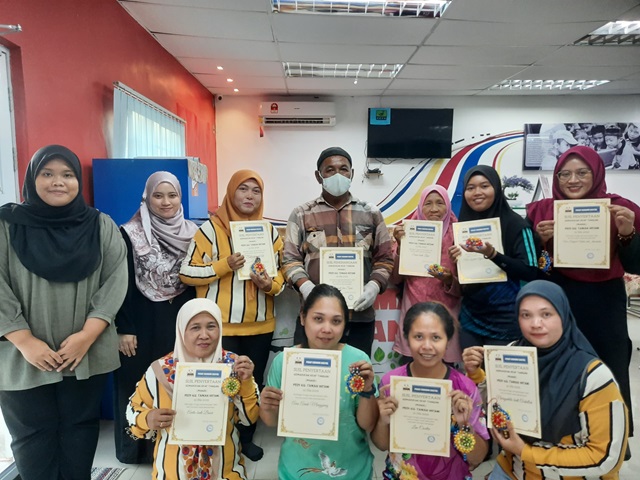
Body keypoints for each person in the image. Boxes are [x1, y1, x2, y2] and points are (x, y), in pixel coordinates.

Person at [0, 145, 128, 480]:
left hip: (84, 351)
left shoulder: (101, 225)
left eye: (68, 174)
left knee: (79, 430)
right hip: (21, 355)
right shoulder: (6, 225)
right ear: (32, 178)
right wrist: (25, 341)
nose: (58, 182)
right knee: (31, 437)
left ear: (78, 181)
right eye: (48, 173)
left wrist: (87, 336)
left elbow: (115, 280)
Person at [526, 145, 640, 436]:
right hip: (558, 299)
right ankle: (560, 436)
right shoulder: (541, 211)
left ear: (597, 173)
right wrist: (540, 242)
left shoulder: (620, 209)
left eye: (582, 172)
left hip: (605, 301)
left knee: (609, 367)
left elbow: (636, 265)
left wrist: (627, 233)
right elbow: (535, 269)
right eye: (564, 174)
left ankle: (610, 438)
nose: (572, 180)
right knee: (559, 367)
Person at [463, 280, 628, 480]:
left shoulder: (593, 376)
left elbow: (606, 458)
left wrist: (526, 452)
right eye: (526, 315)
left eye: (546, 314)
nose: (536, 324)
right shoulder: (512, 353)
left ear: (563, 315)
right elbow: (496, 407)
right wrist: (476, 375)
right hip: (513, 469)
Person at [180, 169, 284, 460]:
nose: (250, 196)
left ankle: (246, 440)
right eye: (243, 189)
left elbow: (281, 275)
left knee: (251, 384)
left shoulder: (269, 231)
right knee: (221, 385)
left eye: (256, 191)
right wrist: (223, 265)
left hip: (260, 326)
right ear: (230, 192)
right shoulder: (209, 230)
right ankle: (221, 439)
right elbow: (186, 272)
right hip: (219, 329)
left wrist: (270, 284)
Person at [114, 171, 198, 464]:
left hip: (179, 318)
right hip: (140, 320)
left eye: (172, 195)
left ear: (180, 198)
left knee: (173, 381)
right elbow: (121, 281)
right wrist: (124, 327)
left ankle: (172, 448)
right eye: (158, 196)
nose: (165, 202)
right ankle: (134, 450)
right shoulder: (129, 233)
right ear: (146, 198)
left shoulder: (193, 232)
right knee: (136, 382)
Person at [127, 298, 260, 480]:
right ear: (181, 330)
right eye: (195, 327)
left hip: (225, 471)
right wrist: (147, 418)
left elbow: (249, 417)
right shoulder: (159, 371)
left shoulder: (234, 366)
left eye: (211, 326)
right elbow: (132, 411)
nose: (204, 335)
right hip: (173, 474)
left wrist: (246, 382)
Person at [282, 146, 394, 356]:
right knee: (312, 373)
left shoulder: (371, 213)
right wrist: (306, 288)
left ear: (352, 173)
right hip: (315, 318)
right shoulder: (301, 214)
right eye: (330, 170)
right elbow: (290, 260)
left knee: (355, 374)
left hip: (358, 318)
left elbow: (385, 258)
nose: (338, 174)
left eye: (343, 169)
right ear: (319, 176)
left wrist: (374, 286)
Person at [260, 284, 379, 480]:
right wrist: (267, 405)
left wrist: (367, 391)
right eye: (318, 319)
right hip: (296, 472)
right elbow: (271, 421)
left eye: (336, 321)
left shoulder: (358, 361)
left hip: (352, 472)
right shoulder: (285, 362)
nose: (327, 329)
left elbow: (367, 425)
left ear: (345, 323)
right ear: (302, 317)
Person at [372, 302, 489, 480]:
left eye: (436, 337)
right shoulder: (391, 383)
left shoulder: (464, 387)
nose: (427, 346)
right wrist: (382, 421)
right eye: (418, 336)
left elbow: (477, 458)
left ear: (448, 341)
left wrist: (464, 425)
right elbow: (381, 445)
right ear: (406, 338)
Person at [450, 165, 540, 349]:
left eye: (484, 186)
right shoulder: (463, 225)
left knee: (502, 369)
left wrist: (493, 255)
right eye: (470, 188)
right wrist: (457, 261)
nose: (477, 192)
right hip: (470, 319)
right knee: (472, 368)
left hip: (507, 320)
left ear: (497, 189)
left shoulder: (516, 225)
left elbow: (531, 271)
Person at [391, 185, 462, 365]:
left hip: (448, 313)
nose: (434, 209)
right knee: (411, 368)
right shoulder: (407, 232)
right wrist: (400, 247)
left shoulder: (458, 236)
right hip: (414, 310)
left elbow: (466, 287)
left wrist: (449, 279)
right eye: (428, 203)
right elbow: (395, 278)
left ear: (448, 206)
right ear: (420, 207)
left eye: (440, 203)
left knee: (444, 370)